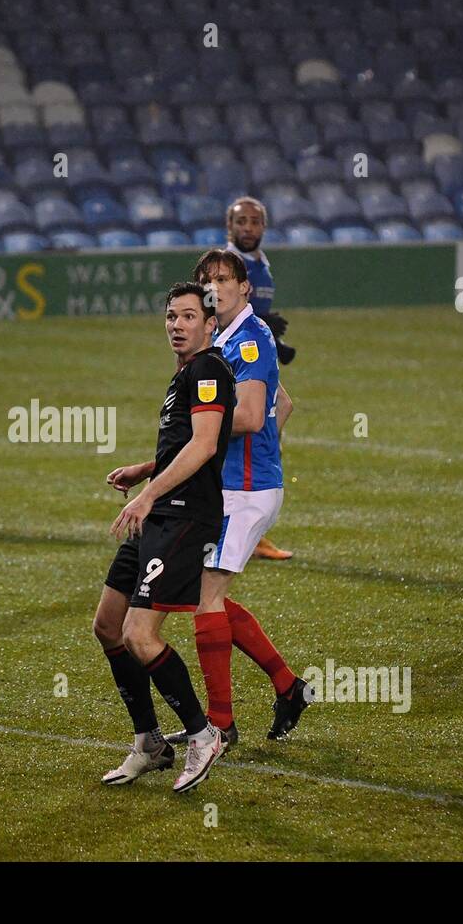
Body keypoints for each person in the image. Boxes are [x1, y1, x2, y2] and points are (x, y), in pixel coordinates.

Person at [163, 249, 309, 750]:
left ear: (245, 287)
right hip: (234, 485)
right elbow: (281, 403)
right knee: (208, 598)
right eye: (207, 280)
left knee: (205, 600)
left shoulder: (247, 340)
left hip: (243, 493)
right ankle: (289, 688)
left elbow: (248, 416)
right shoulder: (225, 338)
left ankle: (221, 725)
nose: (214, 287)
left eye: (224, 279)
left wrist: (198, 437)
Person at [94, 282, 232, 792]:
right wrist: (144, 470)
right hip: (160, 510)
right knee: (108, 626)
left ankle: (202, 734)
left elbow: (203, 447)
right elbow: (182, 445)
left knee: (139, 635)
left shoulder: (210, 370)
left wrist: (149, 494)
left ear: (209, 323)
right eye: (171, 316)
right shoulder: (184, 374)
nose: (177, 325)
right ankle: (149, 742)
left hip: (184, 517)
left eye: (189, 316)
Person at [225, 195, 294, 561]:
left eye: (254, 221)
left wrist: (276, 345)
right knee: (248, 431)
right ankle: (242, 522)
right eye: (241, 221)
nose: (248, 228)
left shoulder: (260, 265)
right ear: (230, 227)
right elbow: (221, 313)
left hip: (256, 354)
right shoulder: (229, 266)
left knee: (281, 409)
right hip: (237, 359)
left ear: (264, 227)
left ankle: (250, 523)